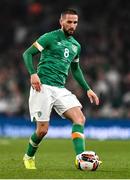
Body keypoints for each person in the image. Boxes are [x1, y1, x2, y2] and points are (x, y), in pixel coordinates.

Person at [22, 9, 99, 169]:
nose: (72, 25)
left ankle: (81, 158)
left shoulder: (76, 45)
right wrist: (33, 74)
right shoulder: (49, 37)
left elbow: (75, 69)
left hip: (60, 89)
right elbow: (27, 54)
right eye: (69, 22)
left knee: (80, 119)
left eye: (75, 22)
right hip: (42, 87)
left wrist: (88, 89)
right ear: (61, 22)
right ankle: (28, 156)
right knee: (42, 131)